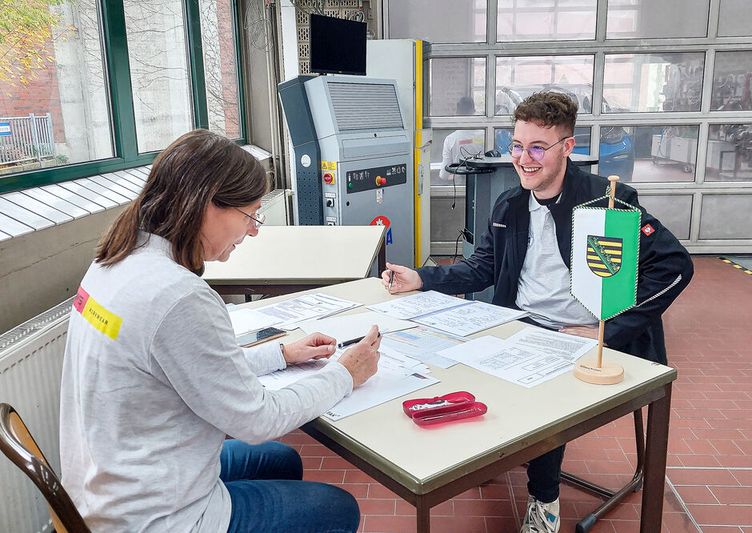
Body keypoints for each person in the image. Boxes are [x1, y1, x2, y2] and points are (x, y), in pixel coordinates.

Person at [381, 92, 693, 533]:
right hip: (518, 324)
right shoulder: (509, 205)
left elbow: (674, 266)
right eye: (516, 146)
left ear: (567, 147)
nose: (523, 160)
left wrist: (606, 330)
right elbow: (483, 268)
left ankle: (544, 500)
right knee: (447, 364)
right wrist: (422, 278)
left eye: (537, 148)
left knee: (543, 403)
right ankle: (490, 453)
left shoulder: (607, 203)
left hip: (578, 335)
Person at [60, 129, 382, 533]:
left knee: (282, 461)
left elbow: (189, 365)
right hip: (154, 517)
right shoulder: (177, 296)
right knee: (337, 509)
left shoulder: (115, 261)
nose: (254, 231)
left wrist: (280, 355)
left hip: (108, 485)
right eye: (250, 215)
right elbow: (258, 420)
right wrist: (345, 373)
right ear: (208, 206)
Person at [439, 96, 485, 182]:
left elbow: (444, 175)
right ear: (474, 112)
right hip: (481, 186)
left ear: (457, 112)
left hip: (459, 188)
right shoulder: (485, 136)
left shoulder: (451, 139)